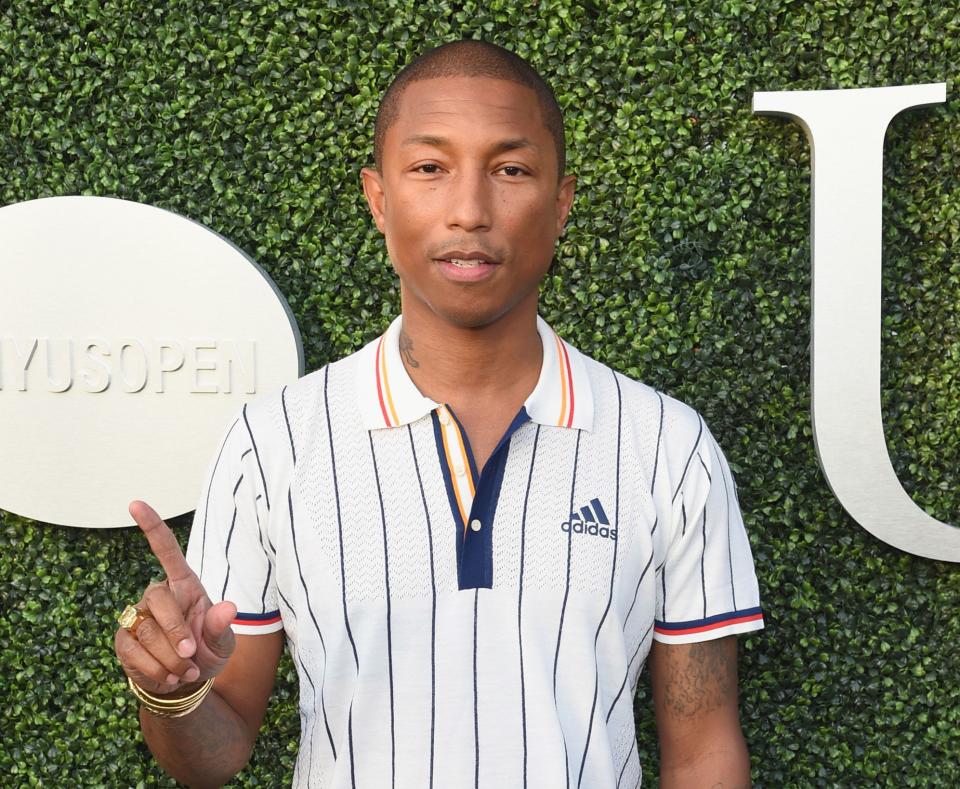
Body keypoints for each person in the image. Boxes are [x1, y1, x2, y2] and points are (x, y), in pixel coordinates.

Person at [113, 39, 764, 788]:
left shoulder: (665, 448)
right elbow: (216, 752)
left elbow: (704, 748)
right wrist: (174, 690)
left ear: (561, 202)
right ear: (379, 198)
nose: (469, 211)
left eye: (510, 170)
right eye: (430, 168)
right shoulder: (273, 443)